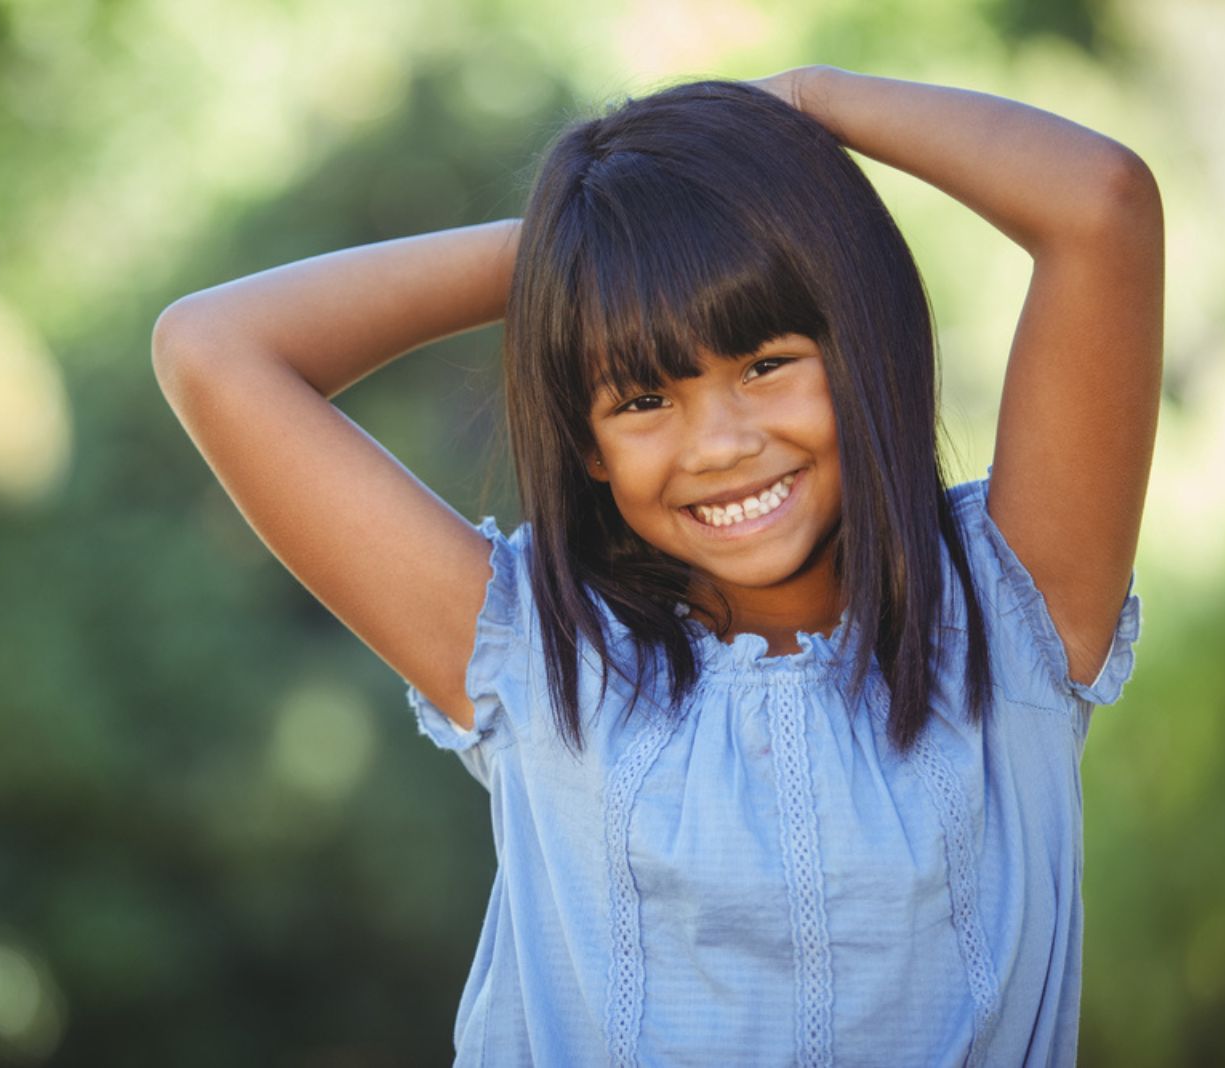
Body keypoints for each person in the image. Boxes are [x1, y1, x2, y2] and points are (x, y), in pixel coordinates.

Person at [151, 64, 1162, 1067]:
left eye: (765, 365)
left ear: (860, 349)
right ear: (588, 447)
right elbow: (211, 347)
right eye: (641, 399)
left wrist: (809, 101)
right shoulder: (539, 660)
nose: (717, 443)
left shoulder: (1012, 609)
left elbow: (1101, 204)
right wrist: (589, 253)